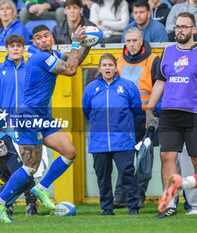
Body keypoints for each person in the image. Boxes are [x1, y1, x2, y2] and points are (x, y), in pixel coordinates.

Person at [0, 24, 90, 223]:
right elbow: (70, 70)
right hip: (27, 117)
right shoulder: (40, 57)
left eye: (46, 36)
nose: (43, 40)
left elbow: (73, 62)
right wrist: (76, 42)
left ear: (51, 37)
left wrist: (87, 45)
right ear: (33, 43)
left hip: (42, 116)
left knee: (70, 153)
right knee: (30, 167)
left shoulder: (50, 53)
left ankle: (41, 189)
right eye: (38, 38)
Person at [145, 12, 197, 219]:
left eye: (184, 27)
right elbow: (160, 82)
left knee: (195, 160)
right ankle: (169, 204)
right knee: (166, 156)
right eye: (177, 27)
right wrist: (150, 109)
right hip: (169, 113)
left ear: (194, 29)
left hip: (193, 114)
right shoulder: (168, 52)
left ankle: (194, 203)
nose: (180, 30)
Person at [0, 34, 40, 217]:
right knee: (5, 168)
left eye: (19, 45)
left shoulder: (32, 71)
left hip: (27, 127)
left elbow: (40, 98)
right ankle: (6, 204)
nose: (16, 48)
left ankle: (31, 205)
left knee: (28, 166)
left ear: (24, 48)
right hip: (3, 129)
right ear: (6, 49)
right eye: (12, 46)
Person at [82, 53, 142, 215]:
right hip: (98, 142)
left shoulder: (128, 86)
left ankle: (133, 207)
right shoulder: (90, 88)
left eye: (110, 65)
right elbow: (87, 111)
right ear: (99, 69)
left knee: (127, 174)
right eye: (104, 65)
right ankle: (107, 209)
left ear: (116, 68)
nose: (107, 68)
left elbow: (136, 110)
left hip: (123, 140)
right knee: (103, 178)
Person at [114, 27, 161, 209]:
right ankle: (122, 195)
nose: (132, 44)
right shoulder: (118, 60)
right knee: (124, 159)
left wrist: (154, 114)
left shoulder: (153, 60)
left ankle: (139, 195)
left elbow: (160, 87)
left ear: (142, 41)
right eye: (128, 41)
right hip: (123, 118)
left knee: (144, 160)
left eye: (135, 40)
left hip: (145, 117)